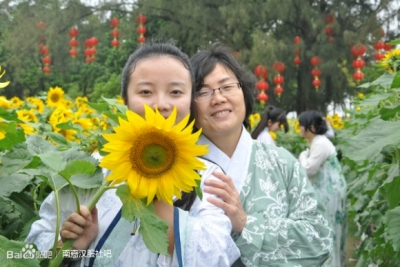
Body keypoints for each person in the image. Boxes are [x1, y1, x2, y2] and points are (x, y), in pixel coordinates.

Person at [26, 41, 240, 267]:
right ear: (125, 100)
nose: (160, 105)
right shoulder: (91, 169)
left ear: (190, 102)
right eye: (146, 91)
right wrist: (71, 249)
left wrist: (156, 181)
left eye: (176, 92)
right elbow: (34, 244)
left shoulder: (209, 180)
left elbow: (216, 255)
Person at [189, 42, 333, 267]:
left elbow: (320, 240)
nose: (217, 98)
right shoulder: (175, 168)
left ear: (243, 93)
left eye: (227, 87)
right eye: (202, 91)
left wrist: (246, 224)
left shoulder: (282, 163)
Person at [298, 110, 347, 267]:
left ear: (310, 127)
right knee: (328, 227)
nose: (299, 128)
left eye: (301, 125)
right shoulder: (319, 141)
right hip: (330, 190)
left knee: (327, 228)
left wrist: (302, 156)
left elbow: (308, 169)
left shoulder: (319, 143)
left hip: (329, 192)